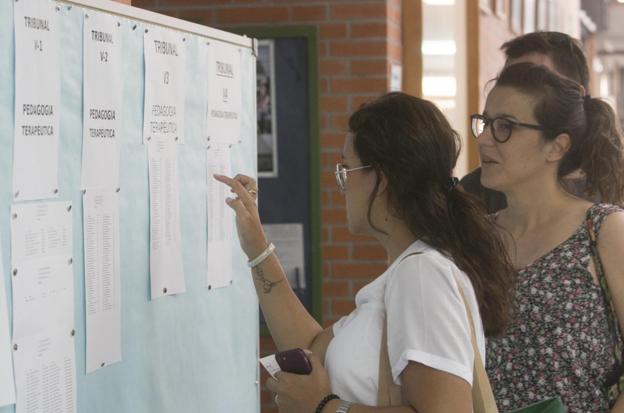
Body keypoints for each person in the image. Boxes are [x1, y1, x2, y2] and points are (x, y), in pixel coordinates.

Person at [214, 92, 515, 412]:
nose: (341, 185)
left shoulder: (423, 274)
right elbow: (314, 349)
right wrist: (257, 247)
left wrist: (324, 407)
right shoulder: (407, 272)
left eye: (346, 169)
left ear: (381, 178)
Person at [472, 62, 624, 412]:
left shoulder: (602, 230)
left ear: (556, 147)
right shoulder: (477, 237)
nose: (483, 139)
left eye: (505, 127)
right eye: (485, 123)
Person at [460, 31, 594, 213]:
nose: (516, 88)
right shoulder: (473, 193)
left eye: (535, 77)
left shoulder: (607, 209)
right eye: (511, 77)